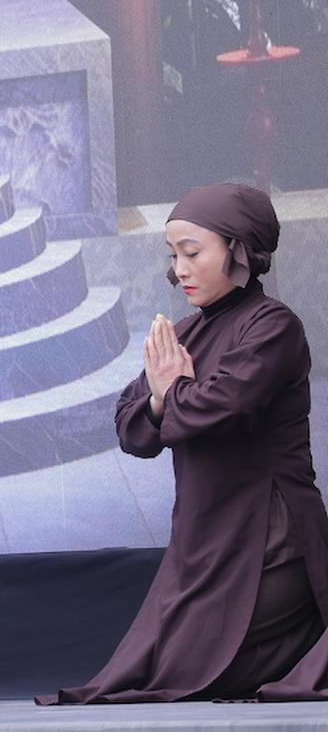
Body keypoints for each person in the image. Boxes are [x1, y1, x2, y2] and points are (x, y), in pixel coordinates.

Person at [42, 182, 328, 704]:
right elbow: (131, 425)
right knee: (161, 667)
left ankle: (306, 635)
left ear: (238, 251)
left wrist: (169, 391)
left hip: (270, 536)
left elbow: (225, 405)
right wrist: (160, 400)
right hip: (202, 540)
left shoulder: (273, 327)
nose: (179, 269)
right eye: (173, 255)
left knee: (199, 670)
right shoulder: (185, 334)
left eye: (192, 253)